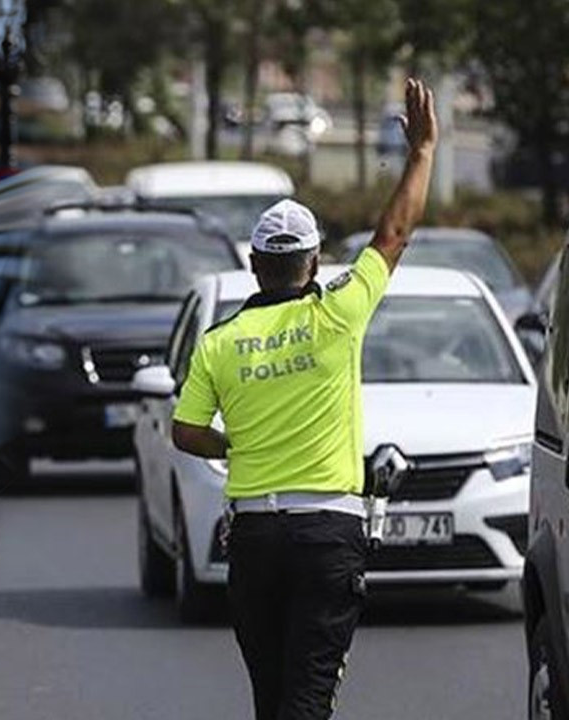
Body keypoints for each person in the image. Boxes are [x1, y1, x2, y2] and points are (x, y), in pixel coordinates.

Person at [170, 78, 437, 720]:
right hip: (328, 534)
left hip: (255, 538)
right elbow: (394, 233)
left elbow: (184, 432)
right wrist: (422, 152)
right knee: (308, 701)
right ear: (313, 264)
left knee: (274, 700)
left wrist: (234, 443)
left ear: (256, 265)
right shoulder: (339, 314)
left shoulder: (220, 342)